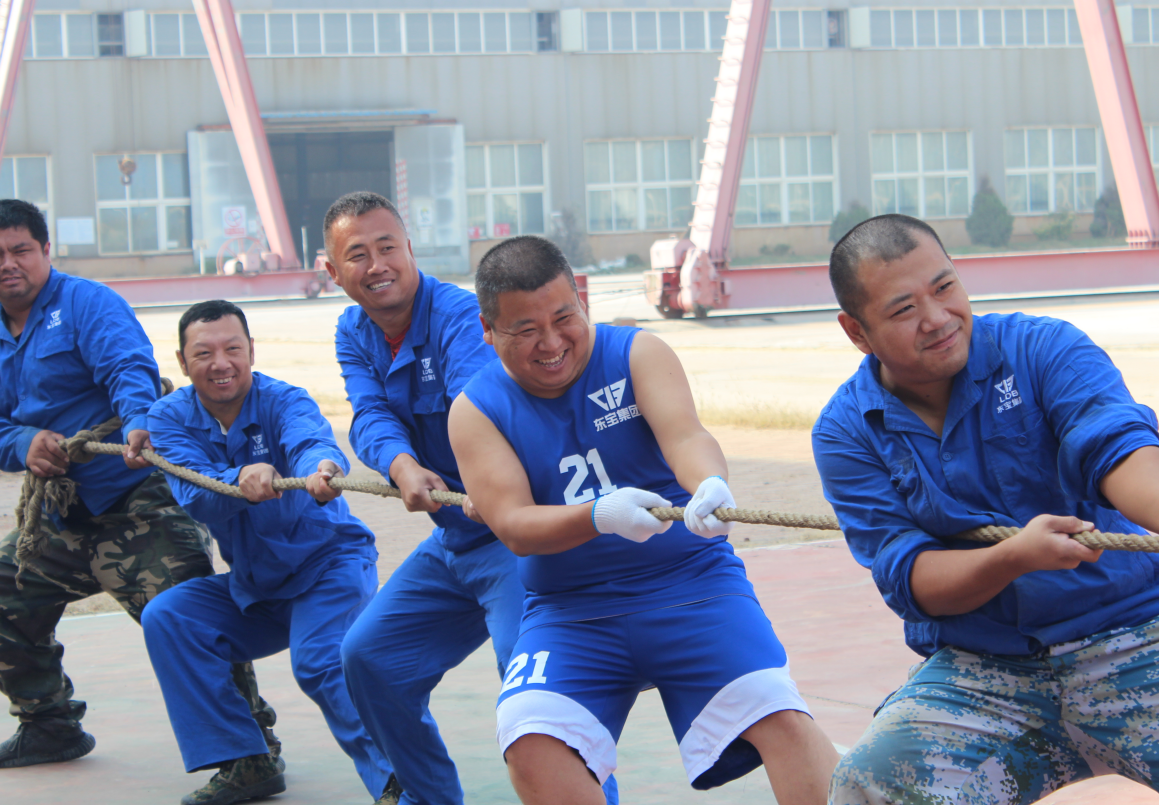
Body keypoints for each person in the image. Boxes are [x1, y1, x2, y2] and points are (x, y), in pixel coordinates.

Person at [447, 235, 839, 805]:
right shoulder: (475, 409)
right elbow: (512, 524)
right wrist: (599, 515)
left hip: (693, 585)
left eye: (564, 318)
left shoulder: (638, 353)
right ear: (488, 329)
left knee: (778, 714)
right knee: (530, 745)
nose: (551, 342)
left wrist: (709, 482)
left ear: (582, 301)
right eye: (525, 330)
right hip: (569, 610)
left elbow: (686, 436)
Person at [812, 213, 1159, 805]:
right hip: (987, 668)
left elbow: (1118, 449)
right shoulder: (846, 430)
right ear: (857, 331)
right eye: (903, 309)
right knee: (871, 784)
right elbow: (911, 579)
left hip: (1135, 635)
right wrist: (1014, 558)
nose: (937, 318)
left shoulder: (1043, 348)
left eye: (944, 287)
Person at [0, 200, 276, 769]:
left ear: (46, 250)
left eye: (20, 250)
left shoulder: (86, 303)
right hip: (61, 514)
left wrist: (137, 424)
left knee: (187, 617)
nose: (8, 264)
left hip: (138, 501)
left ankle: (250, 754)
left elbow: (129, 370)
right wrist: (21, 442)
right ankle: (48, 725)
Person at [323, 191, 544, 805]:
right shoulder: (352, 331)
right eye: (357, 255)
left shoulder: (457, 315)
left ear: (411, 249)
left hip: (514, 536)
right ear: (333, 271)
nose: (377, 266)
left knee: (535, 686)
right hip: (456, 538)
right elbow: (368, 412)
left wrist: (477, 483)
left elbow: (476, 409)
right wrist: (401, 466)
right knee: (369, 657)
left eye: (387, 247)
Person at [142, 300, 393, 805]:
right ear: (182, 362)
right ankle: (247, 762)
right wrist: (240, 477)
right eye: (204, 353)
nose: (221, 363)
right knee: (169, 617)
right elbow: (196, 496)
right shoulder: (168, 417)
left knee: (320, 662)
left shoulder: (284, 400)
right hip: (257, 587)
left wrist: (322, 468)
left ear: (252, 351)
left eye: (233, 349)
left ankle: (398, 782)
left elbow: (311, 441)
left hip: (328, 568)